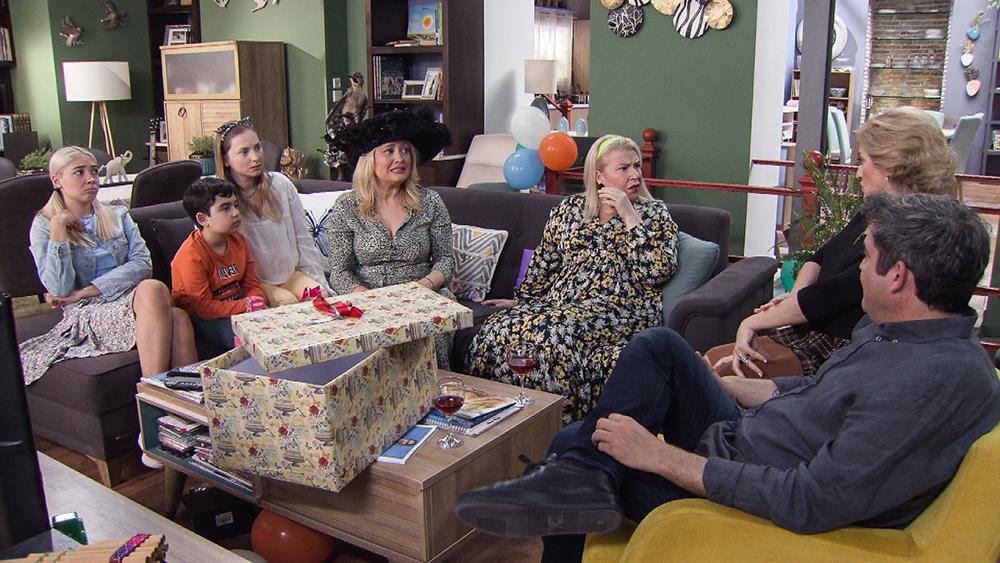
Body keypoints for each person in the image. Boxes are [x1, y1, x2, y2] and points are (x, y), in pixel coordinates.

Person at [455, 193, 1000, 562]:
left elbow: (809, 499)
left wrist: (659, 456)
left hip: (743, 492)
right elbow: (817, 391)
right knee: (662, 346)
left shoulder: (928, 384)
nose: (857, 268)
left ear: (898, 277)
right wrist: (725, 385)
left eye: (867, 258)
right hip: (742, 437)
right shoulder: (896, 334)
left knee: (575, 443)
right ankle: (578, 476)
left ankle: (574, 478)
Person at [707, 107, 959, 378]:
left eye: (863, 161)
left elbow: (834, 294)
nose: (858, 173)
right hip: (810, 328)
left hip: (840, 348)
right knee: (711, 362)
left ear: (891, 168)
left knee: (717, 370)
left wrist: (752, 322)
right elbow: (820, 256)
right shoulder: (874, 210)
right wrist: (794, 297)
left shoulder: (906, 235)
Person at [466, 134, 678, 422]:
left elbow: (657, 271)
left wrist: (629, 216)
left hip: (620, 309)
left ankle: (554, 426)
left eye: (637, 166)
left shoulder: (653, 214)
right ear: (599, 177)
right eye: (624, 168)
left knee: (554, 335)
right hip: (563, 305)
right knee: (496, 328)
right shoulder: (569, 210)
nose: (635, 175)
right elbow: (545, 262)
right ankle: (496, 419)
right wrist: (522, 301)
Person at [20, 146, 198, 383]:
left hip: (128, 299)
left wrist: (87, 290)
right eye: (79, 172)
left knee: (178, 315)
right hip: (86, 312)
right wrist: (59, 227)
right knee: (157, 293)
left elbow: (143, 264)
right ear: (57, 180)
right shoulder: (45, 225)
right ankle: (153, 390)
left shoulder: (117, 214)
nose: (91, 179)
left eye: (94, 171)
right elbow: (60, 289)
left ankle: (182, 401)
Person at [326, 110, 455, 368]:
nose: (400, 158)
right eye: (389, 151)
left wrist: (421, 288)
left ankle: (434, 387)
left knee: (437, 317)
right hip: (367, 300)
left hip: (422, 296)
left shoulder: (430, 202)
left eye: (405, 150)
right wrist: (371, 300)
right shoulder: (346, 207)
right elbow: (339, 273)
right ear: (369, 159)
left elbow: (445, 261)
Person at [214, 117, 330, 307]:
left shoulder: (280, 184)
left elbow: (304, 240)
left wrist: (319, 282)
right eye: (244, 152)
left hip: (290, 274)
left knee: (321, 296)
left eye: (257, 148)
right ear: (226, 159)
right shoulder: (219, 198)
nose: (255, 157)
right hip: (254, 283)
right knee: (288, 302)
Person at [171, 177, 267, 349]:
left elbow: (252, 283)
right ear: (203, 219)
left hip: (237, 308)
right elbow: (204, 308)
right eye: (225, 208)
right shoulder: (190, 255)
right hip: (203, 319)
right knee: (245, 338)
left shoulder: (239, 241)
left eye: (235, 205)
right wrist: (245, 305)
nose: (235, 213)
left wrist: (256, 301)